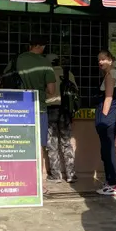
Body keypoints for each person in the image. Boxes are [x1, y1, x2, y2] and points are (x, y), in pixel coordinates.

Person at [11, 35, 57, 166]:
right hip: (38, 107)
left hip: (18, 106)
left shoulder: (18, 59)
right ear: (40, 46)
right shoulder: (45, 63)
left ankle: (19, 177)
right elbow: (51, 90)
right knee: (38, 145)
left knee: (19, 142)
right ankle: (40, 182)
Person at [45, 54, 78, 183]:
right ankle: (71, 174)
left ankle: (55, 174)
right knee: (66, 142)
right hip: (65, 111)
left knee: (51, 143)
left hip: (51, 109)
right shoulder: (68, 73)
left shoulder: (47, 73)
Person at [95, 50, 116, 195]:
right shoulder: (110, 75)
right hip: (109, 117)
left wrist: (103, 118)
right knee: (106, 150)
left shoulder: (111, 75)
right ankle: (109, 182)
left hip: (108, 118)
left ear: (111, 60)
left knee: (108, 150)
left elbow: (109, 97)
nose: (101, 62)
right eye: (99, 59)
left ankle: (112, 184)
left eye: (104, 59)